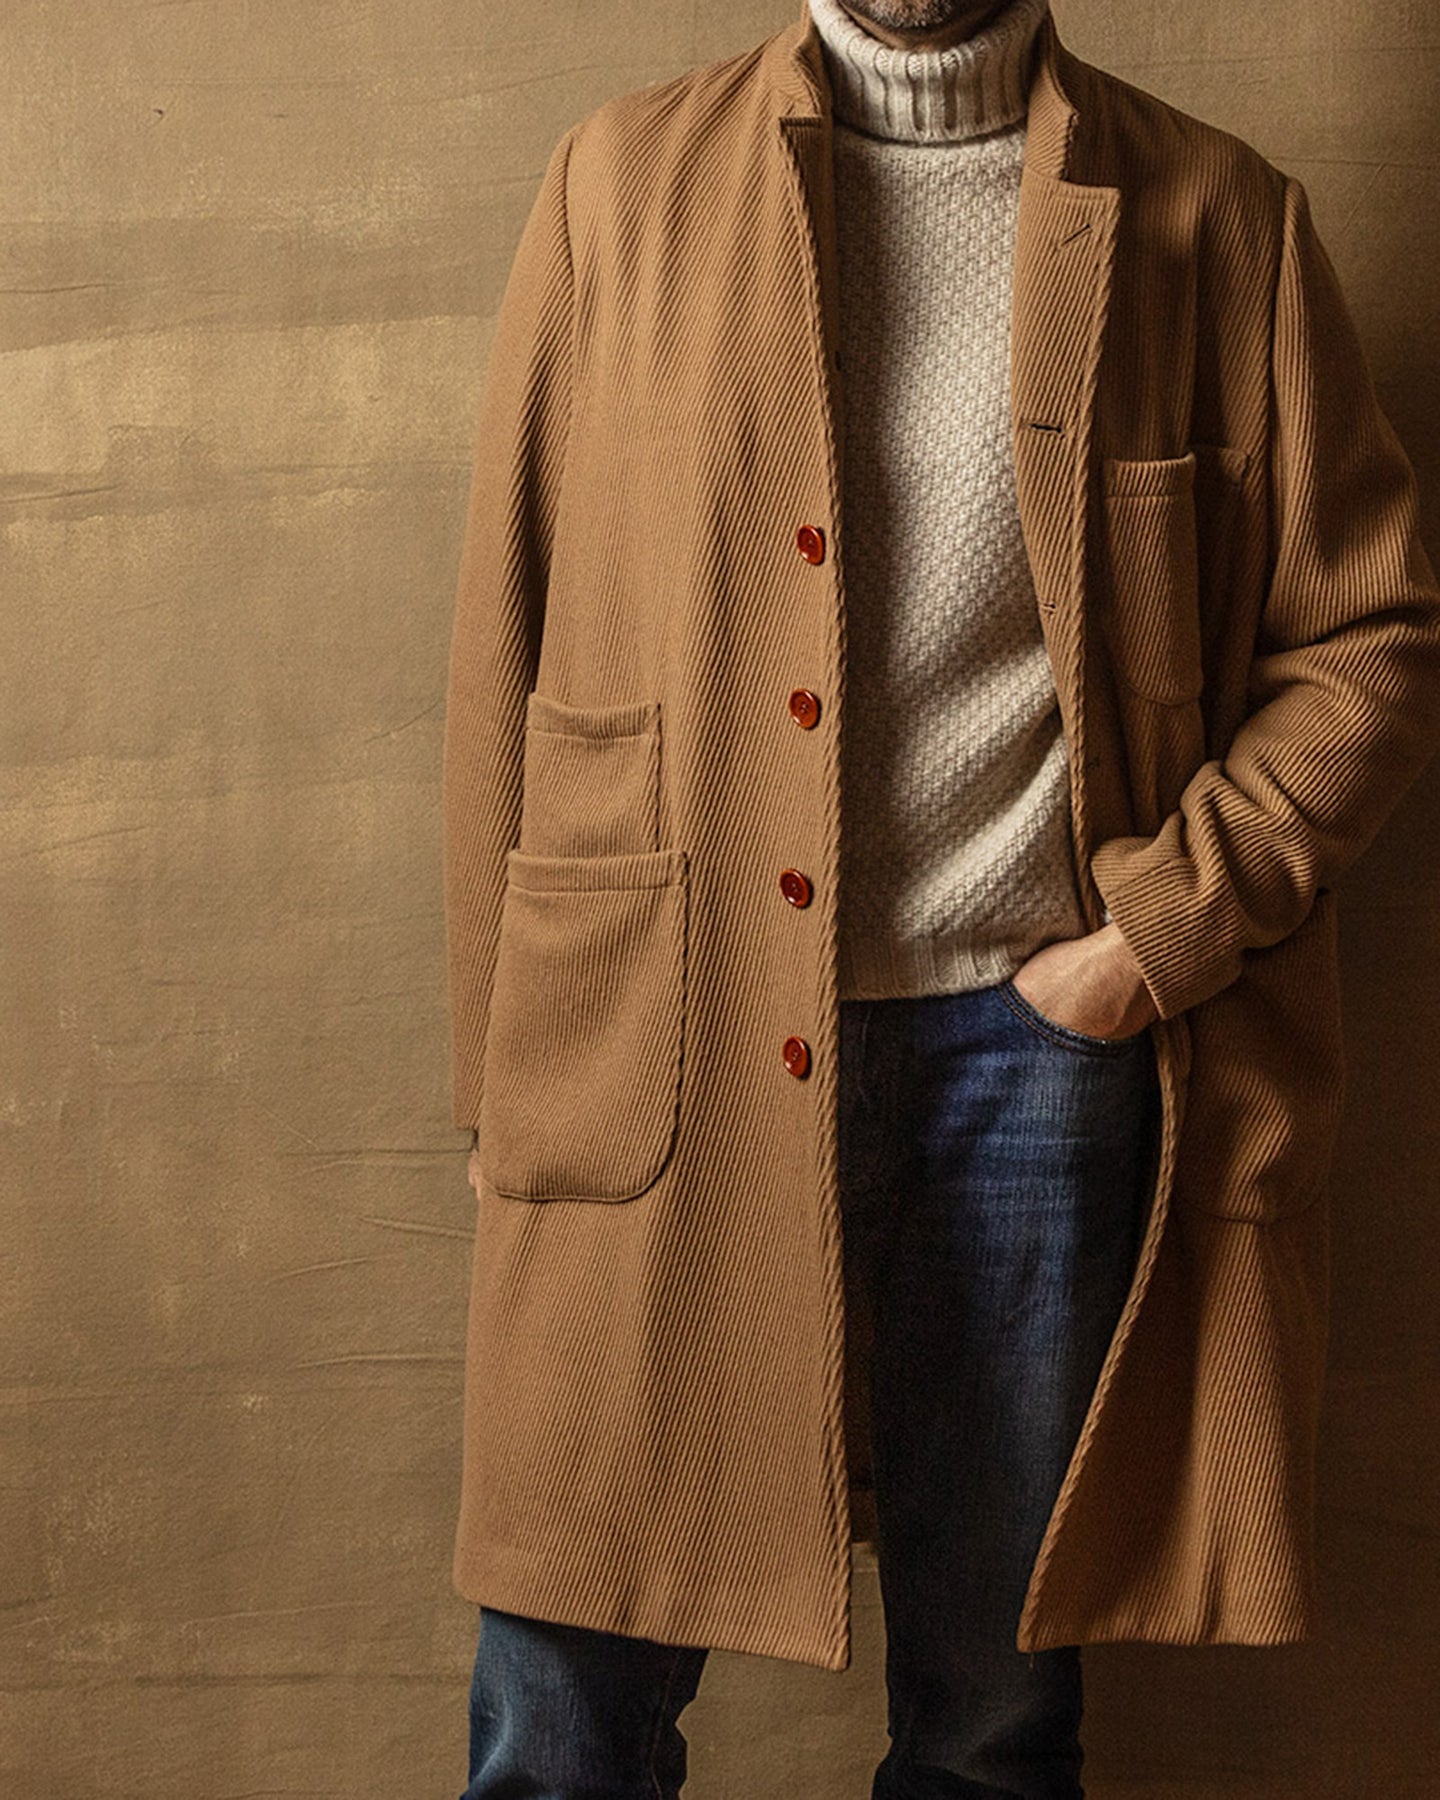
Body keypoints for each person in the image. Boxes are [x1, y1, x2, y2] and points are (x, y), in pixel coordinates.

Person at [441, 0, 1440, 1794]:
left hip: (1034, 1068)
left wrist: (1158, 936)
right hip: (662, 1046)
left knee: (992, 1729)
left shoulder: (1219, 220)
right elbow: (504, 640)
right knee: (562, 1705)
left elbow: (1368, 641)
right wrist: (495, 1081)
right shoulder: (619, 188)